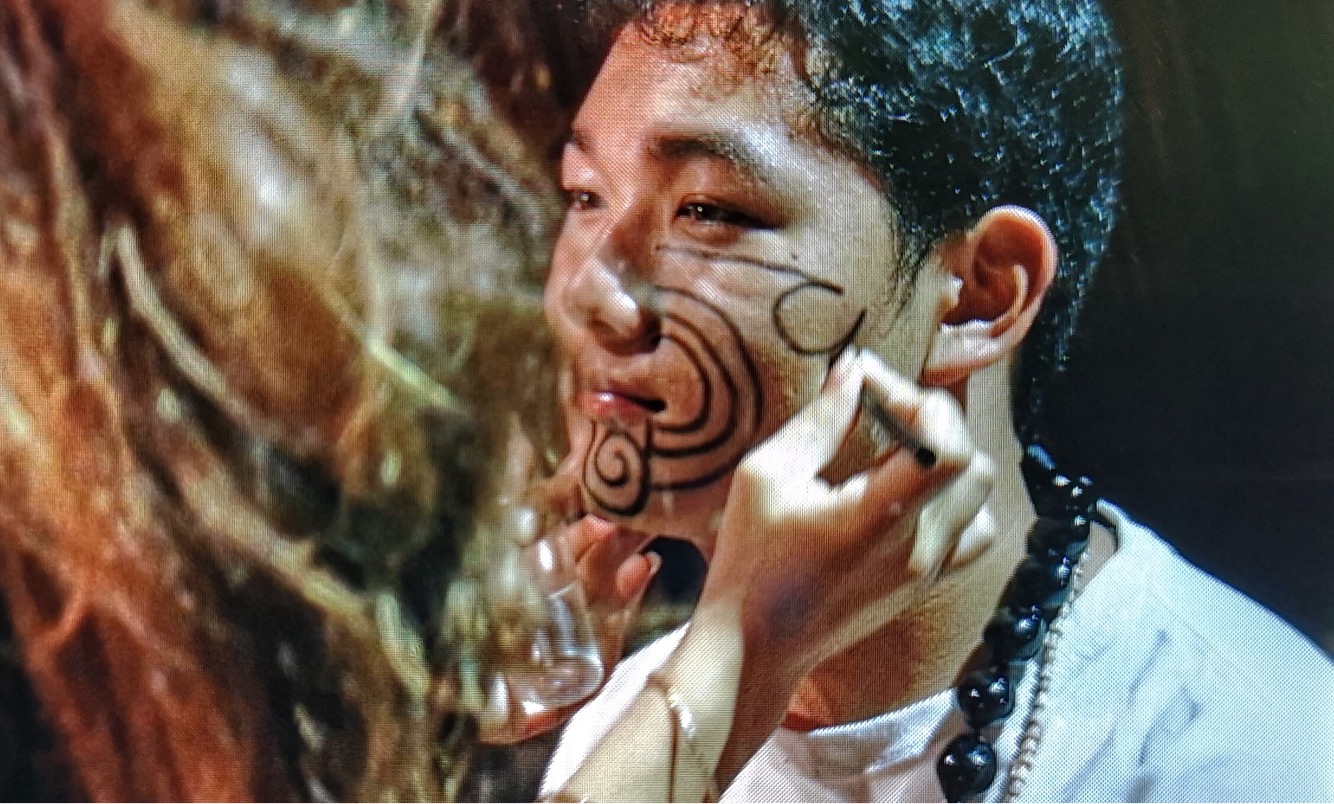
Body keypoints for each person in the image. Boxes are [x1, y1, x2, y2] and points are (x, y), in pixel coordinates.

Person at [532, 1, 1334, 801]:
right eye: (584, 195)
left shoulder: (1243, 751)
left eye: (709, 211)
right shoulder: (625, 719)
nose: (588, 292)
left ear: (977, 297)